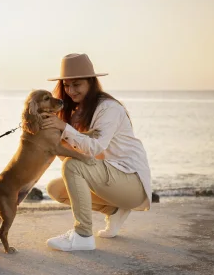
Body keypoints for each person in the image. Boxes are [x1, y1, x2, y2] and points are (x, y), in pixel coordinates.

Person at [40, 53, 152, 251]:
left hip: (131, 181)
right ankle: (114, 210)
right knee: (55, 189)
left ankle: (82, 235)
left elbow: (94, 147)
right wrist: (51, 134)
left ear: (91, 82)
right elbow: (69, 154)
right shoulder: (77, 112)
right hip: (111, 179)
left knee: (73, 166)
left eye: (76, 84)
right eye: (66, 85)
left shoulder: (108, 108)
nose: (70, 90)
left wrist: (64, 128)